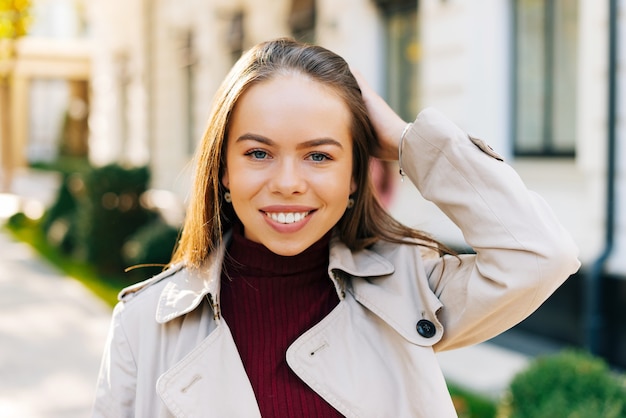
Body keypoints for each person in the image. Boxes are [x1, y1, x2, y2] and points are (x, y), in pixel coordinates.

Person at [92, 38, 580, 418]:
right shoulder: (143, 325)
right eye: (258, 153)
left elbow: (540, 255)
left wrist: (409, 142)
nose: (287, 183)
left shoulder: (408, 287)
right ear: (223, 169)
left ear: (354, 176)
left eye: (319, 155)